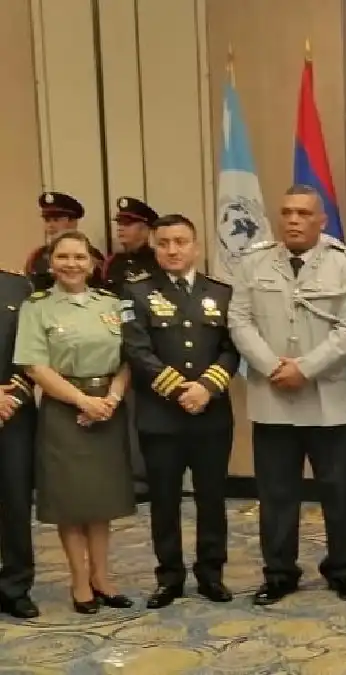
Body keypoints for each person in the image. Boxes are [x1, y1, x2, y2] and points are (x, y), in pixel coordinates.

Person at [228, 184, 346, 606]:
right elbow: (239, 320)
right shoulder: (254, 262)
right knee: (276, 494)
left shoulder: (345, 264)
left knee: (340, 493)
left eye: (304, 213)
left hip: (331, 401)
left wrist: (304, 368)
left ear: (321, 220)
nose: (293, 220)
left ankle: (342, 569)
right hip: (274, 399)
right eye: (287, 212)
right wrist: (273, 366)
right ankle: (279, 572)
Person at [120, 214, 239, 609]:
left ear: (196, 246)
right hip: (161, 418)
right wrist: (179, 391)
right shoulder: (135, 293)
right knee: (165, 502)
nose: (173, 250)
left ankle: (211, 574)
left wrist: (206, 387)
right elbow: (137, 350)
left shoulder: (222, 292)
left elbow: (232, 346)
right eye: (164, 243)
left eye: (181, 242)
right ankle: (169, 576)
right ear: (155, 247)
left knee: (212, 498)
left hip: (211, 415)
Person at [13, 230, 135, 614]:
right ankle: (79, 580)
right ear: (51, 263)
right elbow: (34, 365)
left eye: (79, 257)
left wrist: (111, 399)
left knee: (101, 501)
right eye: (63, 257)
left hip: (109, 408)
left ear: (93, 262)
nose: (71, 264)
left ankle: (102, 576)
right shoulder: (37, 307)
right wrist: (83, 400)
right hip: (64, 411)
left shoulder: (113, 304)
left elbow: (130, 357)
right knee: (71, 502)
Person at [0, 269, 38, 618]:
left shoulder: (18, 286)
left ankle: (15, 585)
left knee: (15, 499)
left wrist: (10, 398)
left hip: (13, 412)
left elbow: (34, 350)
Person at [25, 192, 105, 292]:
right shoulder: (36, 257)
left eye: (56, 220)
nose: (51, 225)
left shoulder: (92, 255)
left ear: (73, 222)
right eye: (47, 220)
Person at [103, 196, 160, 295]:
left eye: (127, 224)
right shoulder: (112, 261)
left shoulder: (159, 260)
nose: (120, 228)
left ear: (146, 229)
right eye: (119, 223)